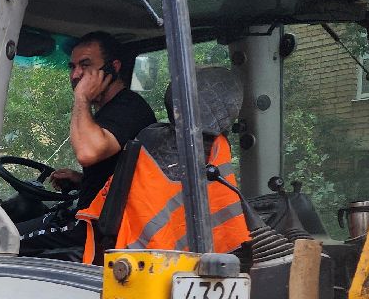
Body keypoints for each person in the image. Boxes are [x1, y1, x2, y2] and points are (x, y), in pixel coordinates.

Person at [79, 65, 251, 261]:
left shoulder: (152, 138)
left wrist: (81, 97)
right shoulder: (219, 148)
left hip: (140, 257)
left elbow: (121, 192)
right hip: (209, 257)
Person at [17, 32, 157, 257]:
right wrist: (81, 180)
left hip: (96, 229)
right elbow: (121, 177)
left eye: (85, 65)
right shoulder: (111, 110)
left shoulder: (128, 109)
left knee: (0, 241)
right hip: (91, 217)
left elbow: (87, 153)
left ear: (113, 68)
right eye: (72, 67)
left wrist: (81, 97)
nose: (75, 75)